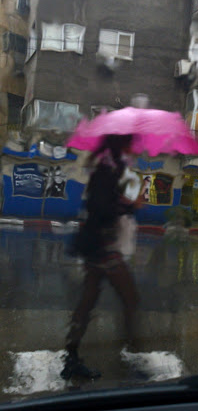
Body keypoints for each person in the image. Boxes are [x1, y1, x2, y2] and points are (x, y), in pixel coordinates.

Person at [62, 134, 143, 380]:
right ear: (122, 145)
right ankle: (131, 356)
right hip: (103, 246)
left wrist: (123, 201)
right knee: (130, 299)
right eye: (131, 143)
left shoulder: (109, 168)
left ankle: (72, 356)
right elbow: (100, 208)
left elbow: (101, 203)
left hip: (97, 244)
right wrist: (128, 206)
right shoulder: (108, 170)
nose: (134, 148)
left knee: (88, 301)